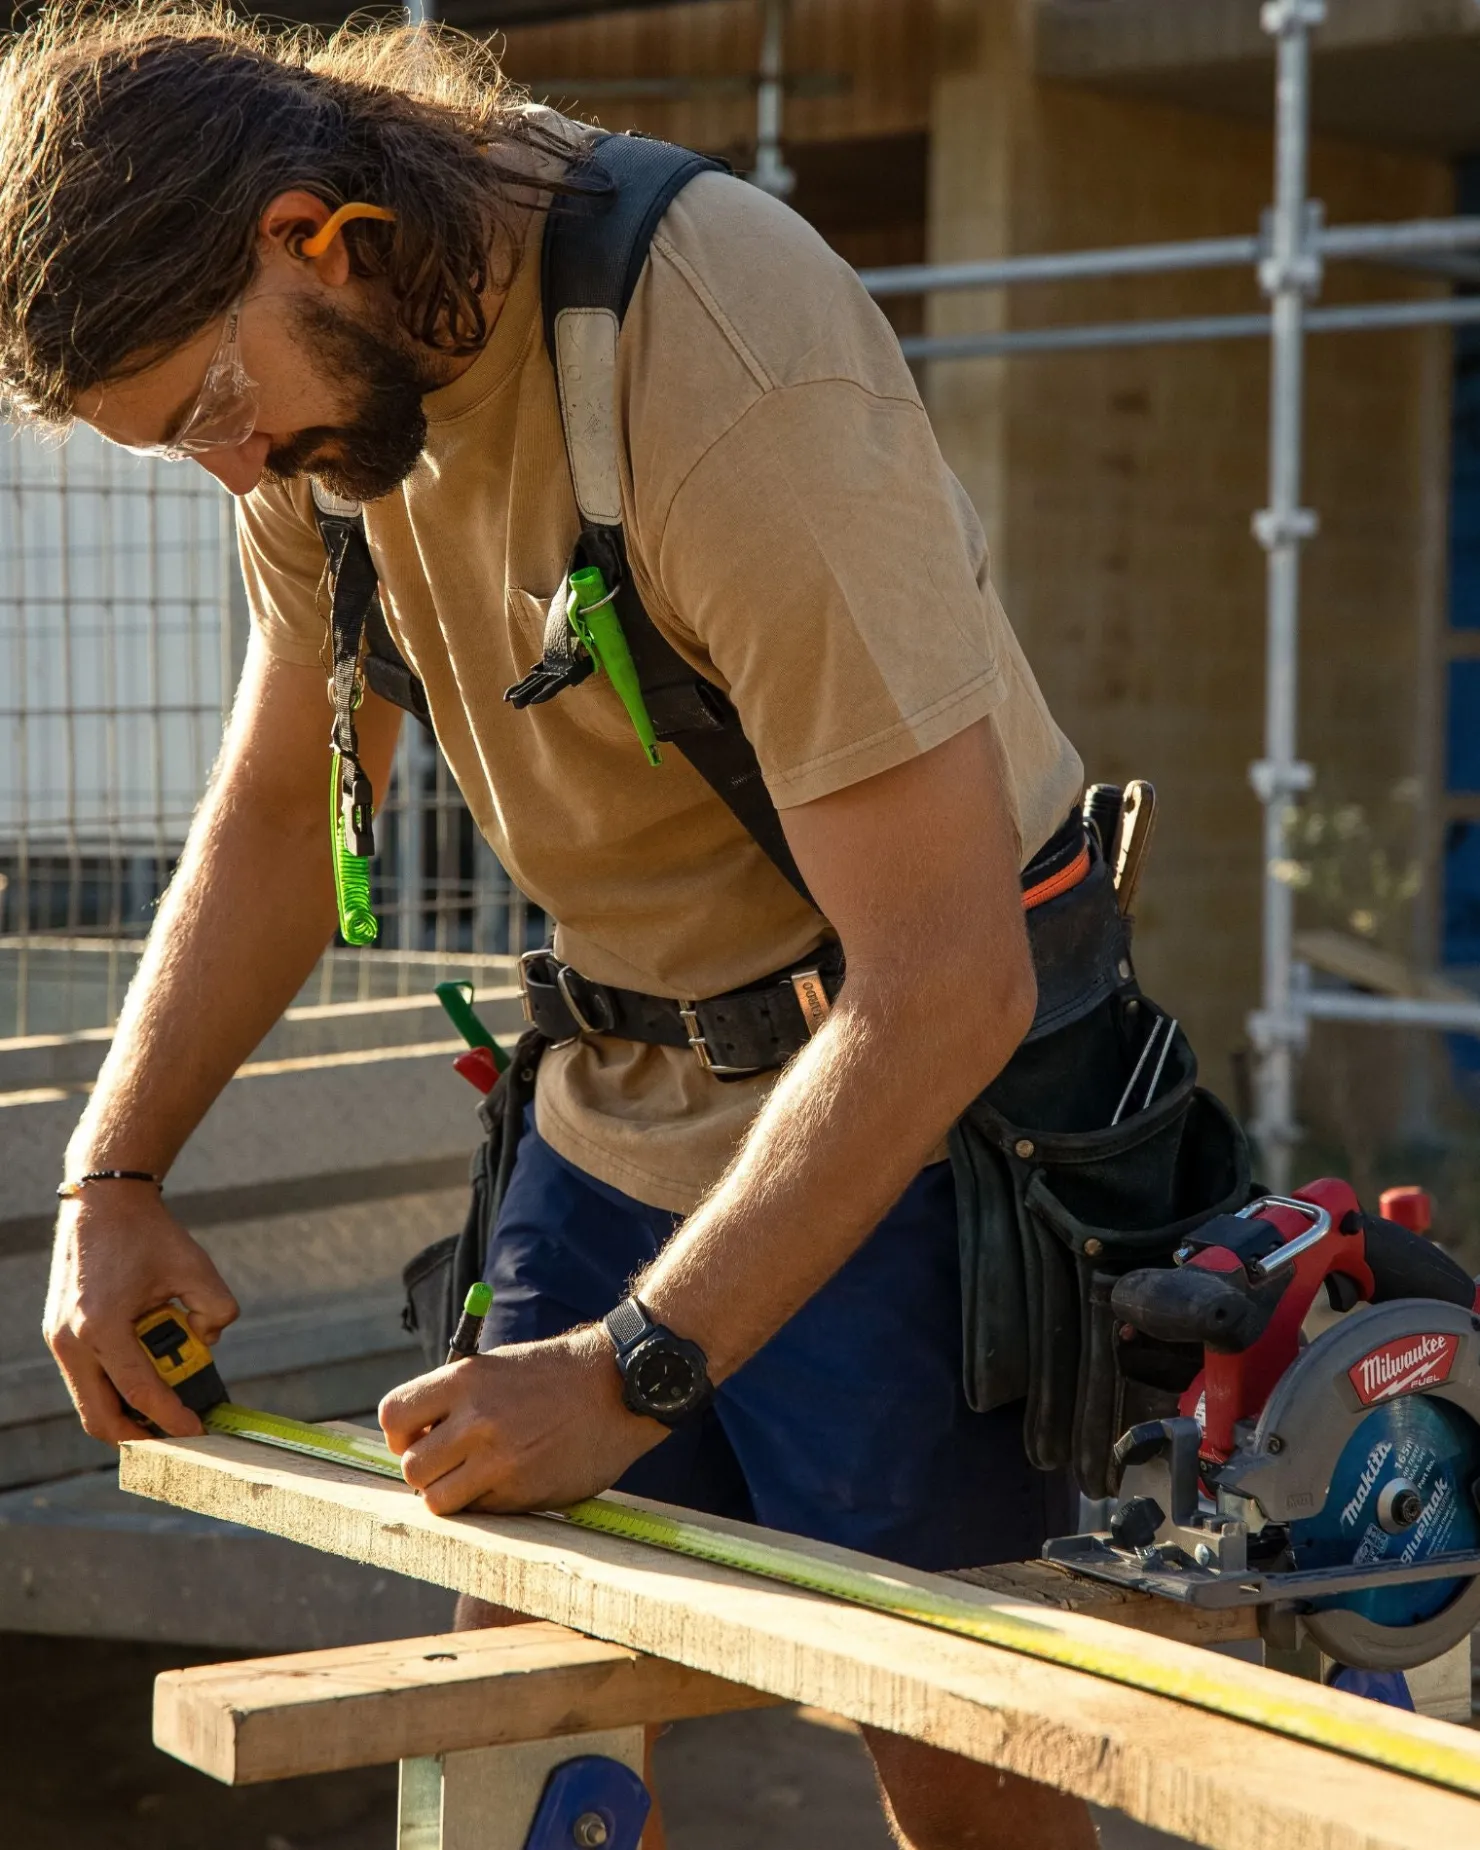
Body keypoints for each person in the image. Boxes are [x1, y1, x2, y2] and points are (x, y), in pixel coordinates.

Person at [5, 10, 1098, 1846]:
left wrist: (631, 1368)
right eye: (170, 445)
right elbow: (286, 805)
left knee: (952, 1742)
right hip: (612, 1084)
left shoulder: (711, 349)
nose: (230, 467)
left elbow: (951, 976)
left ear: (308, 230)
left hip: (907, 1097)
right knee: (515, 1708)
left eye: (208, 404)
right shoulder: (316, 419)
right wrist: (112, 1179)